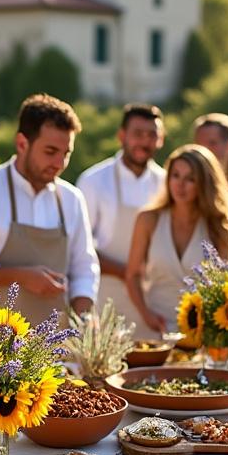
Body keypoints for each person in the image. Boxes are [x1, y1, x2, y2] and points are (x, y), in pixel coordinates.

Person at [0, 93, 100, 323]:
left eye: (66, 154)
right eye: (50, 152)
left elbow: (85, 267)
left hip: (58, 346)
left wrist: (83, 318)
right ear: (22, 143)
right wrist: (20, 277)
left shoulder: (72, 198)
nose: (59, 164)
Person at [126, 144, 228, 333]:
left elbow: (224, 285)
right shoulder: (148, 219)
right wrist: (147, 315)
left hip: (203, 331)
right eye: (175, 175)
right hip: (155, 328)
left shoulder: (218, 225)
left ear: (204, 183)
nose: (180, 185)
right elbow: (132, 275)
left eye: (190, 179)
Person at [77, 103, 167, 328]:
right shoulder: (93, 181)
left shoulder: (167, 183)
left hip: (153, 300)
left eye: (151, 135)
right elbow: (79, 247)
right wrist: (126, 273)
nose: (144, 141)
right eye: (138, 134)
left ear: (161, 139)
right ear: (122, 135)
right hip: (105, 295)